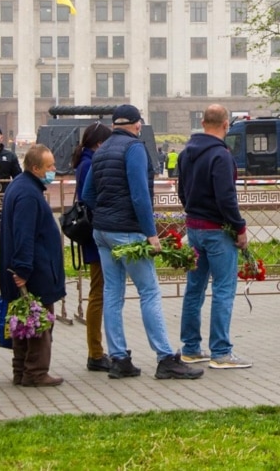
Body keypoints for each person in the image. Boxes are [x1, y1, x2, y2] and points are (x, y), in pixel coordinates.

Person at [81, 104, 203, 380]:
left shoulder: (100, 152)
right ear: (136, 124)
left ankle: (120, 359)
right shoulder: (134, 149)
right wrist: (151, 234)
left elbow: (87, 194)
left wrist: (105, 213)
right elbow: (139, 195)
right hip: (129, 231)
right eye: (139, 124)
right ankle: (165, 359)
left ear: (114, 125)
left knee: (113, 294)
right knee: (149, 292)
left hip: (102, 232)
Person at [178, 105, 251, 369]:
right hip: (217, 230)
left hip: (194, 228)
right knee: (223, 289)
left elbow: (182, 190)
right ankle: (220, 352)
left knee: (194, 289)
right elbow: (226, 197)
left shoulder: (186, 153)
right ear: (226, 125)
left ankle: (190, 348)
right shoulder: (221, 156)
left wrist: (192, 212)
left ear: (202, 121)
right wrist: (239, 227)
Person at [0, 144, 66, 388]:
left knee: (23, 320)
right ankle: (36, 372)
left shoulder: (21, 185)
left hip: (29, 268)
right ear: (36, 168)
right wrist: (23, 269)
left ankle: (21, 371)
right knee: (38, 321)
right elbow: (24, 234)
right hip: (34, 271)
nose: (54, 170)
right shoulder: (28, 193)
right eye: (50, 166)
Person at [71, 122, 112, 372]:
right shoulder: (90, 164)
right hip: (96, 234)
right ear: (99, 144)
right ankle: (95, 352)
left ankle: (97, 350)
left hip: (94, 233)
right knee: (98, 292)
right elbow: (91, 198)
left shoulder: (86, 161)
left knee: (100, 290)